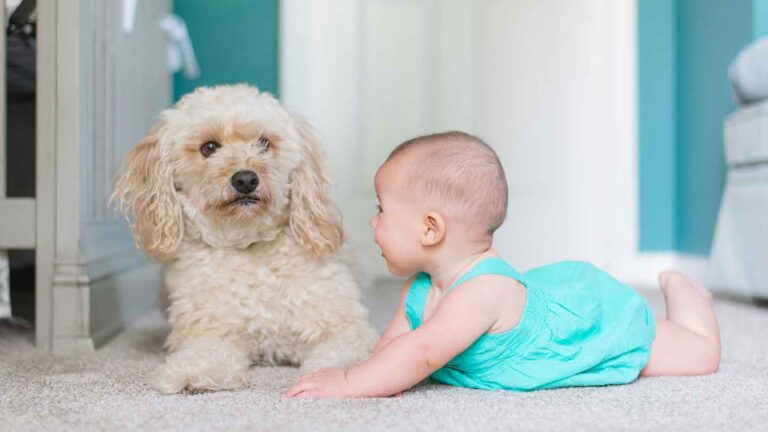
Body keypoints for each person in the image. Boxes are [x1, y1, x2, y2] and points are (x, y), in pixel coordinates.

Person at [286, 131, 721, 398]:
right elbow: (394, 351)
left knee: (698, 356)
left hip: (580, 326)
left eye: (383, 211)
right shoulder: (419, 287)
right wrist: (372, 376)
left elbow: (420, 353)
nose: (373, 221)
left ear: (430, 229)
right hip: (534, 299)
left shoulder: (480, 293)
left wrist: (346, 383)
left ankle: (690, 301)